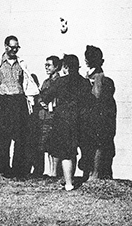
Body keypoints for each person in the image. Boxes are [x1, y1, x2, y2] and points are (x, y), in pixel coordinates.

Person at [0, 35, 39, 177]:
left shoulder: (21, 63)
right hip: (4, 101)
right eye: (12, 47)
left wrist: (29, 100)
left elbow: (27, 82)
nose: (15, 50)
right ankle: (5, 168)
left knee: (20, 137)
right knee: (3, 137)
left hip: (19, 101)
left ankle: (18, 169)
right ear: (6, 46)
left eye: (17, 47)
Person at [39, 54, 92, 191]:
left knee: (66, 153)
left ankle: (68, 183)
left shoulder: (61, 81)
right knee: (73, 151)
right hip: (81, 119)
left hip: (63, 119)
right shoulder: (84, 82)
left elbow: (45, 97)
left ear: (65, 67)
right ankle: (71, 179)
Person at [82, 45, 117, 180]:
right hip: (97, 115)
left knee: (98, 143)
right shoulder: (93, 75)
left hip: (97, 115)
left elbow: (96, 95)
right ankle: (91, 172)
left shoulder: (99, 77)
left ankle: (95, 173)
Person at [38, 55, 62, 177]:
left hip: (55, 116)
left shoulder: (60, 82)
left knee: (55, 144)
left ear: (56, 67)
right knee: (47, 144)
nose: (46, 67)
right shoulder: (46, 82)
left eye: (49, 65)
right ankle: (50, 170)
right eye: (45, 65)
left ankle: (55, 171)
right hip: (45, 117)